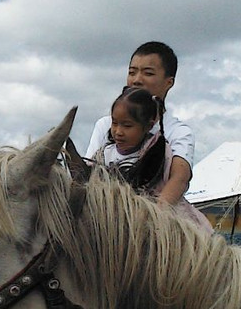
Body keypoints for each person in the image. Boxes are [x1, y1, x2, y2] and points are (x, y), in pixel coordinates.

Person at [84, 41, 195, 207]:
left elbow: (179, 179)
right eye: (132, 72)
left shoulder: (178, 132)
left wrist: (149, 220)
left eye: (148, 73)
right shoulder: (105, 125)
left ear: (169, 82)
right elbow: (88, 174)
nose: (136, 80)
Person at [95, 85, 213, 232]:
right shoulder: (104, 154)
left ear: (148, 126)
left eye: (127, 126)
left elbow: (170, 185)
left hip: (156, 222)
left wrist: (151, 217)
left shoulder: (156, 153)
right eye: (114, 123)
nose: (118, 132)